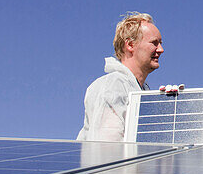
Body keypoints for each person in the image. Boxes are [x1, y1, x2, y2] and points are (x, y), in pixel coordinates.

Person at [76, 11, 178, 143]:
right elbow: (107, 150)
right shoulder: (113, 85)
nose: (161, 49)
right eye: (154, 43)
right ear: (130, 45)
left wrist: (172, 109)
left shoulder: (139, 91)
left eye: (160, 43)